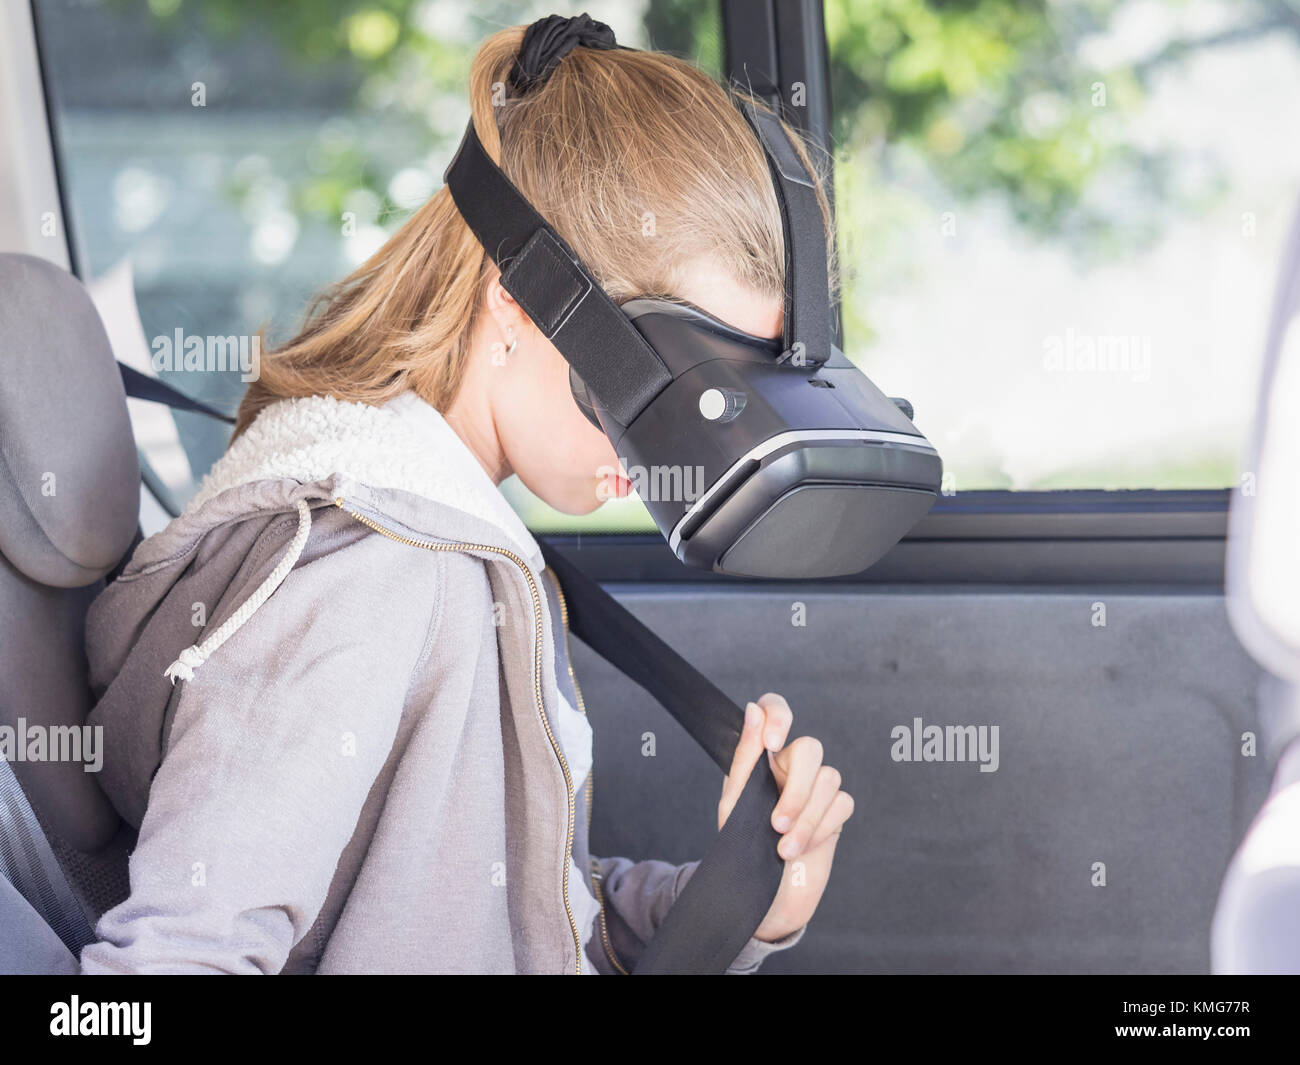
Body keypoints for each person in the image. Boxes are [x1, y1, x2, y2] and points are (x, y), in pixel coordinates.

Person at [80, 14, 854, 975]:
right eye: (673, 384)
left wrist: (744, 902)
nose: (682, 449)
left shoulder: (460, 547)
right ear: (522, 301)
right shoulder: (378, 574)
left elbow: (500, 903)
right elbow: (175, 962)